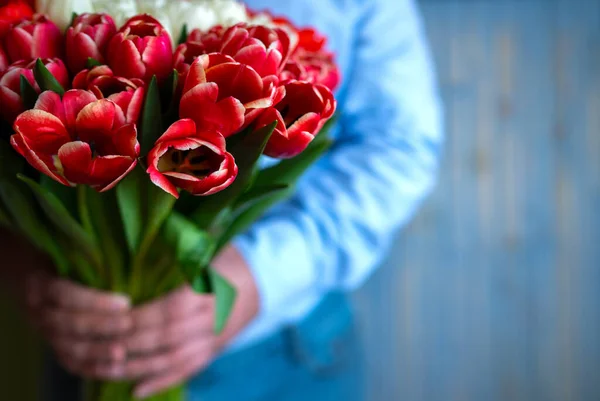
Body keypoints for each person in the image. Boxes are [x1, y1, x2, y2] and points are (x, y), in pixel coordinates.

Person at [3, 0, 443, 400]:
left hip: (286, 349)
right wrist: (26, 265)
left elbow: (398, 148)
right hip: (83, 336)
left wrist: (258, 276)